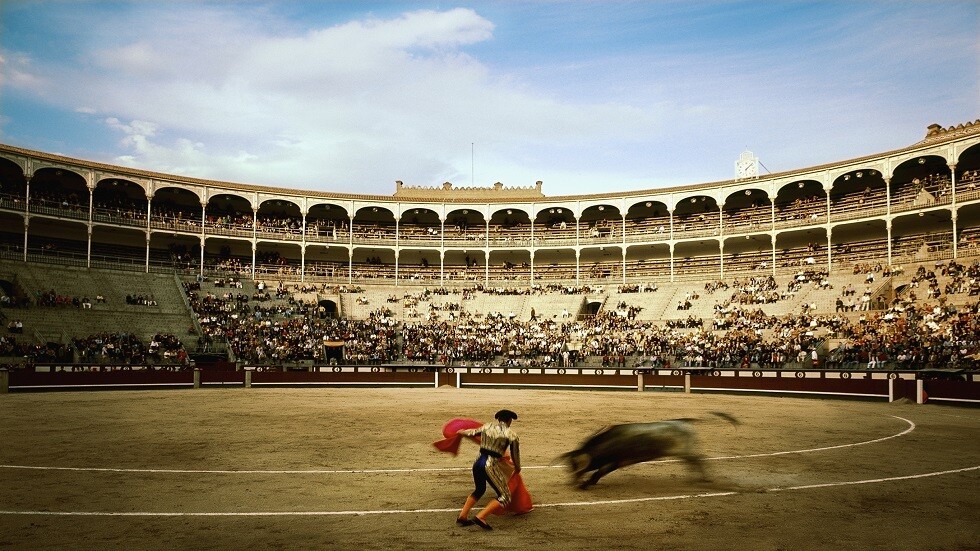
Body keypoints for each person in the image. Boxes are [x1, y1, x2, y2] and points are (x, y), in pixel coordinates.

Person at [455, 409, 521, 530]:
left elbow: (472, 433)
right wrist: (517, 468)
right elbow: (515, 454)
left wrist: (462, 432)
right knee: (505, 496)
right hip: (490, 466)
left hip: (477, 463)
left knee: (479, 489)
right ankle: (481, 517)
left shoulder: (487, 427)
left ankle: (462, 516)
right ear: (509, 420)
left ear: (498, 419)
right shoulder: (511, 434)